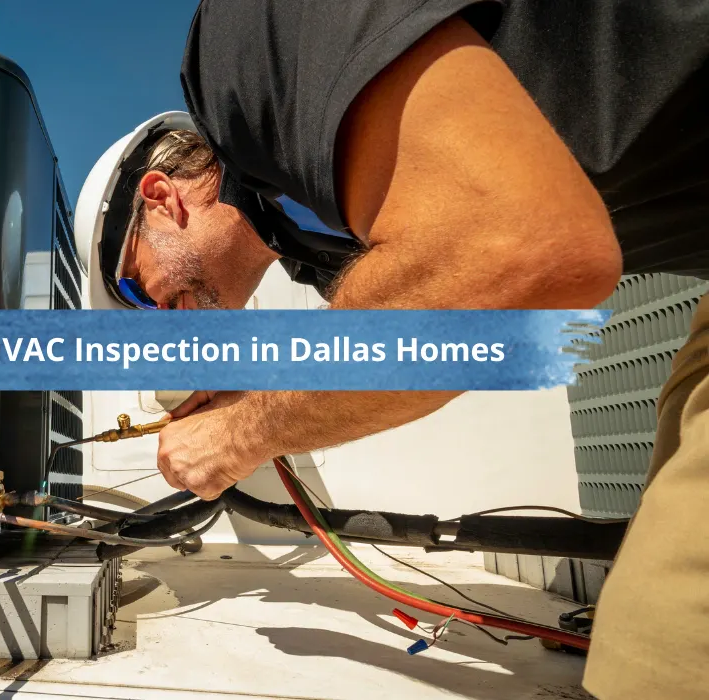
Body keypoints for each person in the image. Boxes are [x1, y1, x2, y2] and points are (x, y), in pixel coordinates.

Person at [78, 2, 709, 697]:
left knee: (658, 649)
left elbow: (517, 255)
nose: (164, 327)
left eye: (139, 290)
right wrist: (252, 401)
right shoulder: (322, 244)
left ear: (162, 197)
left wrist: (239, 434)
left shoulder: (249, 39)